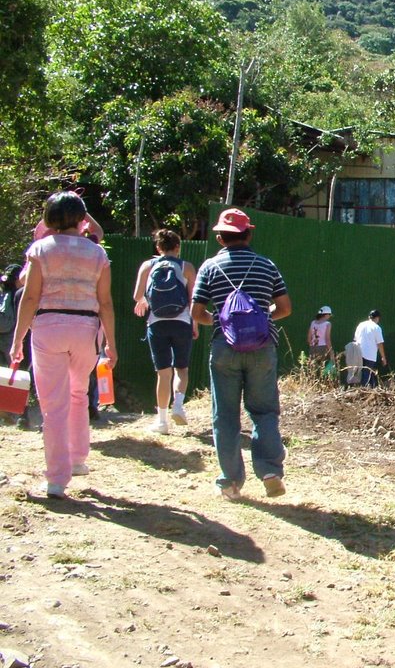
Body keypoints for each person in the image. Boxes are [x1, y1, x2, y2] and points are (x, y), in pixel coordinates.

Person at [9, 192, 117, 499]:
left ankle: (57, 478)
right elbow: (106, 303)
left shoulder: (41, 249)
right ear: (82, 219)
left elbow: (30, 298)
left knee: (53, 405)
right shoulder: (97, 253)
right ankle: (78, 458)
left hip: (48, 328)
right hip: (87, 329)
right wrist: (111, 344)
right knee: (78, 392)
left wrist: (18, 339)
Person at [190, 208, 291, 502]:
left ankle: (231, 482)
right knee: (264, 412)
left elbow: (197, 313)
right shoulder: (266, 266)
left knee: (225, 416)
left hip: (224, 348)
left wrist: (224, 322)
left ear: (220, 237)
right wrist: (262, 317)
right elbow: (285, 308)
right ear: (249, 233)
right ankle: (271, 472)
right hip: (262, 348)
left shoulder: (209, 267)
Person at [132, 229, 197, 434]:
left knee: (163, 372)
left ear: (158, 248)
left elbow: (137, 295)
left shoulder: (147, 266)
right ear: (178, 247)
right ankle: (178, 404)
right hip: (182, 322)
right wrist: (194, 324)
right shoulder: (187, 267)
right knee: (181, 369)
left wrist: (144, 300)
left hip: (156, 323)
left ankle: (161, 422)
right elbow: (193, 300)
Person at [353, 309, 387, 388]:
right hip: (369, 354)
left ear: (369, 317)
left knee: (358, 373)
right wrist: (383, 357)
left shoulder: (361, 324)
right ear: (377, 318)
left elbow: (355, 339)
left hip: (358, 352)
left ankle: (358, 389)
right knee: (366, 373)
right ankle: (363, 391)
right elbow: (379, 343)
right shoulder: (376, 328)